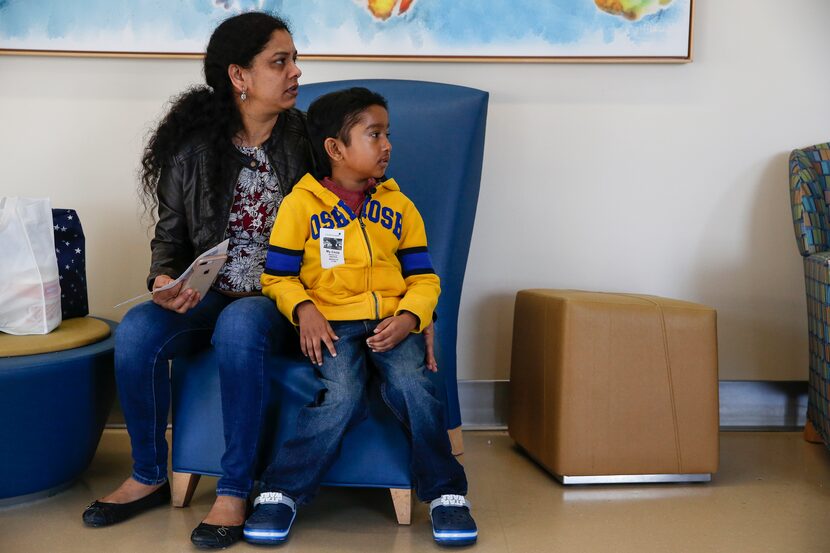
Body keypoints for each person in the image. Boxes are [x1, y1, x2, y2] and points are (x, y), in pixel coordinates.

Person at [81, 12, 313, 550]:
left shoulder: (308, 136)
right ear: (239, 76)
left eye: (295, 58)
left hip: (281, 296)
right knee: (137, 330)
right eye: (281, 61)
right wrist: (165, 278)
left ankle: (233, 491)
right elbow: (170, 237)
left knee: (239, 323)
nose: (296, 71)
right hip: (209, 292)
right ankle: (147, 475)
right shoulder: (192, 147)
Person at [245, 87, 477, 546]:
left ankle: (446, 494)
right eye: (374, 134)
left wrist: (412, 317)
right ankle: (280, 491)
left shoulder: (400, 206)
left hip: (395, 322)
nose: (387, 145)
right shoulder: (300, 205)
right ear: (335, 148)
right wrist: (304, 309)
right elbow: (277, 277)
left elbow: (426, 278)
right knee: (342, 395)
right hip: (331, 325)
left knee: (415, 386)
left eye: (388, 134)